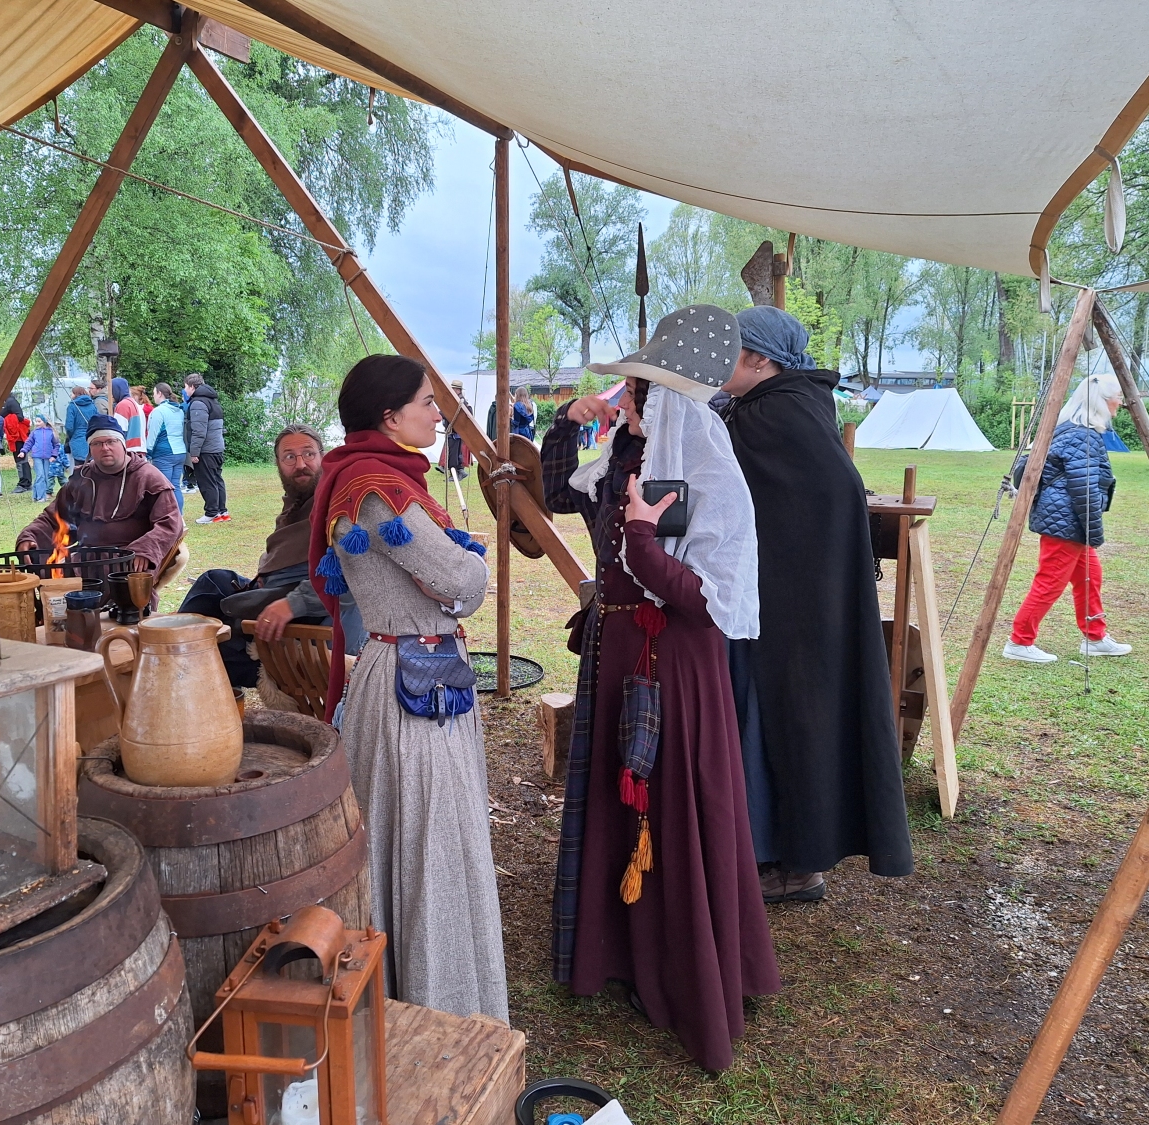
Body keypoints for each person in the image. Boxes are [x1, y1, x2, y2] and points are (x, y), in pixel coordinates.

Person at [544, 306, 779, 1071]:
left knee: (671, 811)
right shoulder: (627, 459)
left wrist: (643, 538)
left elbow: (706, 600)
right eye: (630, 392)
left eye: (641, 392)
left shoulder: (707, 471)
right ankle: (618, 953)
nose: (629, 404)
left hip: (673, 667)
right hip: (618, 655)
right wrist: (563, 426)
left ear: (671, 399)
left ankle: (682, 972)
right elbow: (559, 493)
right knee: (619, 806)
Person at [309, 354, 505, 1021]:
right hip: (412, 690)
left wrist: (453, 566)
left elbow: (443, 572)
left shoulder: (377, 479)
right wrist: (466, 566)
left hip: (408, 675)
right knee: (429, 843)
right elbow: (460, 580)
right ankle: (436, 1012)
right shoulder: (377, 490)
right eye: (426, 402)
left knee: (419, 837)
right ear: (389, 416)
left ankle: (425, 999)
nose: (437, 414)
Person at [716, 304, 912, 903]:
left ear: (758, 359)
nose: (719, 361)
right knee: (786, 723)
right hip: (792, 601)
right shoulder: (784, 404)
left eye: (730, 350)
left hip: (795, 609)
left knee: (795, 725)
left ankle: (797, 865)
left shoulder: (775, 414)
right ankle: (786, 857)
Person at [183, 424, 360, 689]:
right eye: (289, 457)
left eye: (308, 454)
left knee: (206, 643)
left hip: (301, 618)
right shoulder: (296, 503)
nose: (300, 464)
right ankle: (173, 648)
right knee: (214, 582)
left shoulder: (337, 502)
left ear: (322, 457)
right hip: (274, 594)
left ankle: (179, 660)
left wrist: (292, 603)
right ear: (278, 464)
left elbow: (354, 574)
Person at [1005, 372, 1129, 663]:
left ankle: (1095, 637)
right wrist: (1094, 532)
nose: (1120, 404)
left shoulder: (1072, 430)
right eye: (1117, 398)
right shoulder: (1082, 436)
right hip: (1066, 522)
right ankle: (1019, 642)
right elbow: (1084, 489)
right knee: (1050, 582)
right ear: (1102, 401)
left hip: (1066, 520)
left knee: (1090, 576)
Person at [16, 415, 182, 576]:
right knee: (47, 578)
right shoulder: (81, 478)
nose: (105, 448)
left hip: (129, 560)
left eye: (111, 441)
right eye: (97, 443)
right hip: (85, 559)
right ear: (90, 448)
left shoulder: (148, 477)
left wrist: (145, 549)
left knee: (117, 584)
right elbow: (53, 518)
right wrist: (30, 536)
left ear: (122, 444)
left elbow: (169, 522)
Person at [184, 372, 228, 523]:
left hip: (206, 450)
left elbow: (199, 431)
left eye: (186, 387)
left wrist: (194, 452)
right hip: (217, 448)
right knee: (217, 480)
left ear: (192, 386)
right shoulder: (213, 401)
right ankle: (222, 511)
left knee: (206, 482)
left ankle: (211, 513)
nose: (185, 390)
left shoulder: (198, 403)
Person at [145, 382, 188, 512]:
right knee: (175, 486)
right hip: (180, 452)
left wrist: (148, 453)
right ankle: (179, 515)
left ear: (159, 393)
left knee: (163, 488)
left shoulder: (158, 411)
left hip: (164, 453)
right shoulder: (178, 410)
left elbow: (153, 434)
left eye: (154, 393)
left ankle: (167, 515)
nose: (153, 396)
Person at [111, 376, 147, 461]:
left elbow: (118, 432)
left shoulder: (123, 405)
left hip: (129, 452)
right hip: (139, 450)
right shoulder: (135, 404)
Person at [26, 415, 60, 502]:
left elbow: (56, 445)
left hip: (47, 457)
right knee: (40, 475)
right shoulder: (34, 432)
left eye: (39, 421)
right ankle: (41, 497)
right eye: (36, 421)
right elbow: (29, 443)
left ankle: (36, 495)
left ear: (44, 422)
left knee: (44, 476)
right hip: (36, 456)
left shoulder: (51, 432)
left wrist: (53, 455)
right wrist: (23, 451)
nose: (37, 423)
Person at [2, 396, 32, 494]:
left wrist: (7, 419)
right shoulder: (11, 401)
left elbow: (20, 417)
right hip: (19, 437)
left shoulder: (10, 402)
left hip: (18, 437)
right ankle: (27, 483)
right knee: (22, 460)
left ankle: (23, 484)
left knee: (20, 460)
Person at [64, 384, 100, 465]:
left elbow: (69, 427)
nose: (71, 395)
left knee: (79, 467)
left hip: (77, 439)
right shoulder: (92, 405)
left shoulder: (72, 406)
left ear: (76, 394)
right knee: (92, 466)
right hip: (91, 439)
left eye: (72, 393)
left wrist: (71, 437)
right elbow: (97, 422)